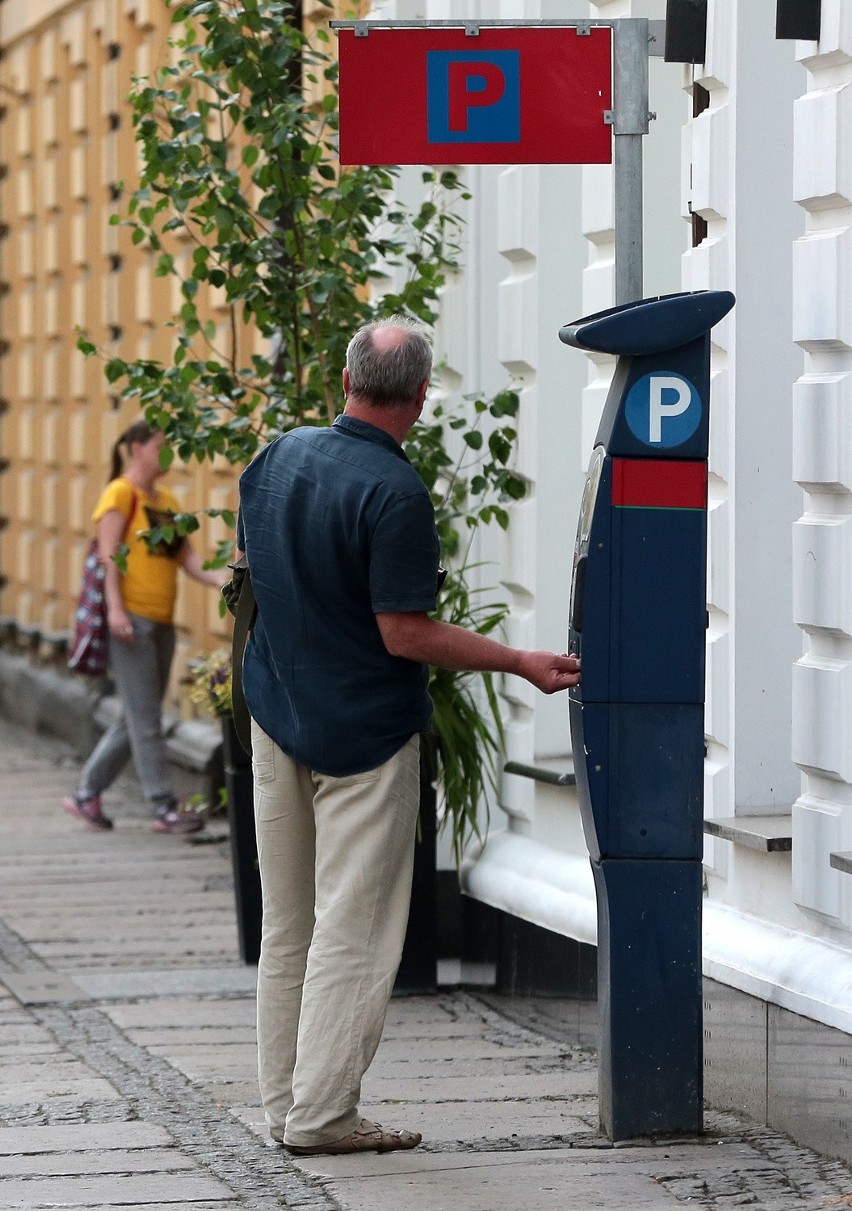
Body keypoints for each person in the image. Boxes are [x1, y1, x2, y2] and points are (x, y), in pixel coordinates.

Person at [237, 316, 581, 1158]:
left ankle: (286, 1106)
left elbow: (250, 567)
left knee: (288, 925)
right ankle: (322, 1117)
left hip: (276, 716)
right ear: (421, 399)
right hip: (362, 736)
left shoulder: (279, 455)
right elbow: (405, 633)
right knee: (352, 928)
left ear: (345, 379)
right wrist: (517, 659)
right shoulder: (394, 494)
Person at [63, 419, 225, 835]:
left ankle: (86, 793)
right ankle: (163, 806)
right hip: (130, 620)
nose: (167, 454)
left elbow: (186, 559)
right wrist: (115, 610)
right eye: (160, 446)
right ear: (136, 448)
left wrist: (227, 579)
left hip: (162, 620)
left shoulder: (168, 499)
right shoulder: (120, 493)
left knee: (134, 716)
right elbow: (108, 556)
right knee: (147, 715)